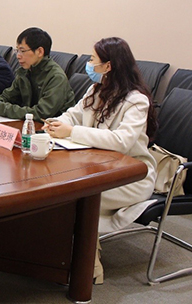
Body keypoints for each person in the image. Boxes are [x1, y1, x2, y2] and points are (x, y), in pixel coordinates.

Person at [43, 37, 158, 283]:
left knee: (78, 196)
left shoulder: (136, 100)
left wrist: (72, 132)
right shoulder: (96, 89)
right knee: (59, 189)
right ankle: (61, 255)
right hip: (95, 165)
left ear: (108, 66)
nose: (88, 64)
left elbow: (121, 141)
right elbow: (72, 115)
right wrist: (55, 124)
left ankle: (88, 264)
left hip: (131, 175)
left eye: (93, 59)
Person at [0, 27, 74, 121]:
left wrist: (0, 107)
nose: (18, 56)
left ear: (39, 52)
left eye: (22, 51)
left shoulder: (56, 77)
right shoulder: (25, 71)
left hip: (50, 127)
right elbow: (8, 95)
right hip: (29, 124)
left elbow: (41, 113)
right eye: (17, 50)